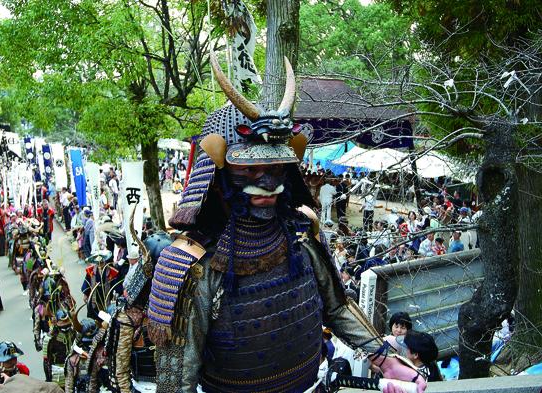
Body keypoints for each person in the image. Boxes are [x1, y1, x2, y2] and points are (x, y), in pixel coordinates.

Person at [147, 57, 426, 393]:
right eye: (249, 170)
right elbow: (177, 382)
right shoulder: (192, 263)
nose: (268, 183)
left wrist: (385, 359)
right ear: (217, 170)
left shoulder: (302, 231)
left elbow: (336, 306)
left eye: (277, 168)